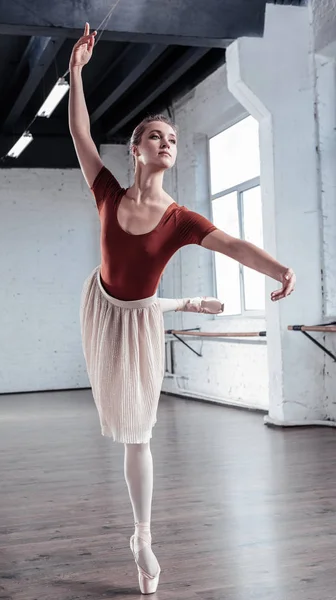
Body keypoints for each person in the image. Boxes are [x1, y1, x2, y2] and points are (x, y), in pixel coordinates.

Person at [68, 23, 296, 595]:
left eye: (172, 137)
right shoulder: (109, 193)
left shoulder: (182, 220)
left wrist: (279, 269)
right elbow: (80, 133)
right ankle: (139, 534)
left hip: (141, 320)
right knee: (123, 423)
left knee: (138, 433)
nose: (166, 142)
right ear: (136, 149)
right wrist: (75, 74)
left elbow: (235, 245)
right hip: (101, 307)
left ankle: (141, 535)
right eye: (154, 135)